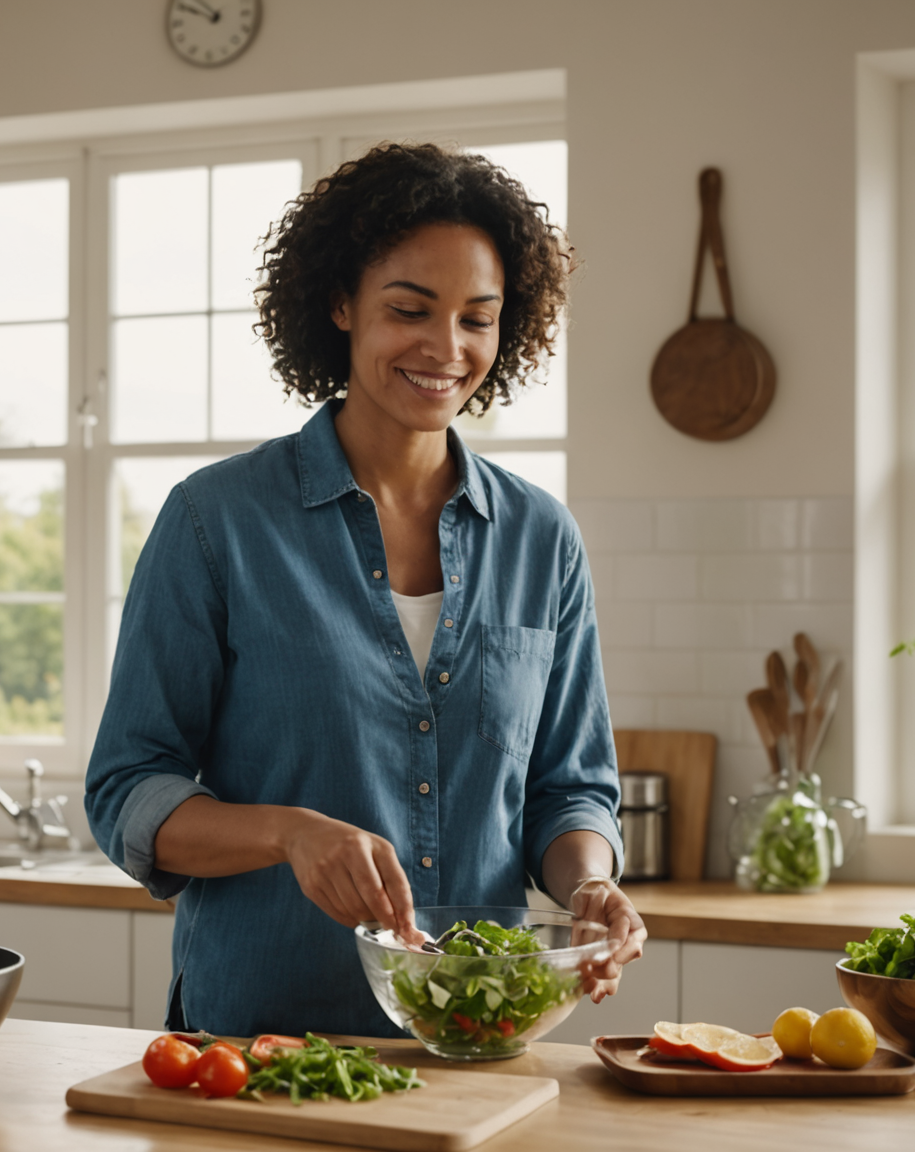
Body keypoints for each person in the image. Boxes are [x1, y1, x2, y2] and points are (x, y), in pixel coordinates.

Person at [85, 142, 645, 1039]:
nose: (447, 348)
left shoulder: (543, 540)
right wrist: (287, 833)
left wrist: (588, 882)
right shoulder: (215, 522)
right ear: (341, 304)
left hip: (475, 1040)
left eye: (477, 318)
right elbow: (127, 791)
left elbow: (569, 788)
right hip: (260, 1044)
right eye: (410, 310)